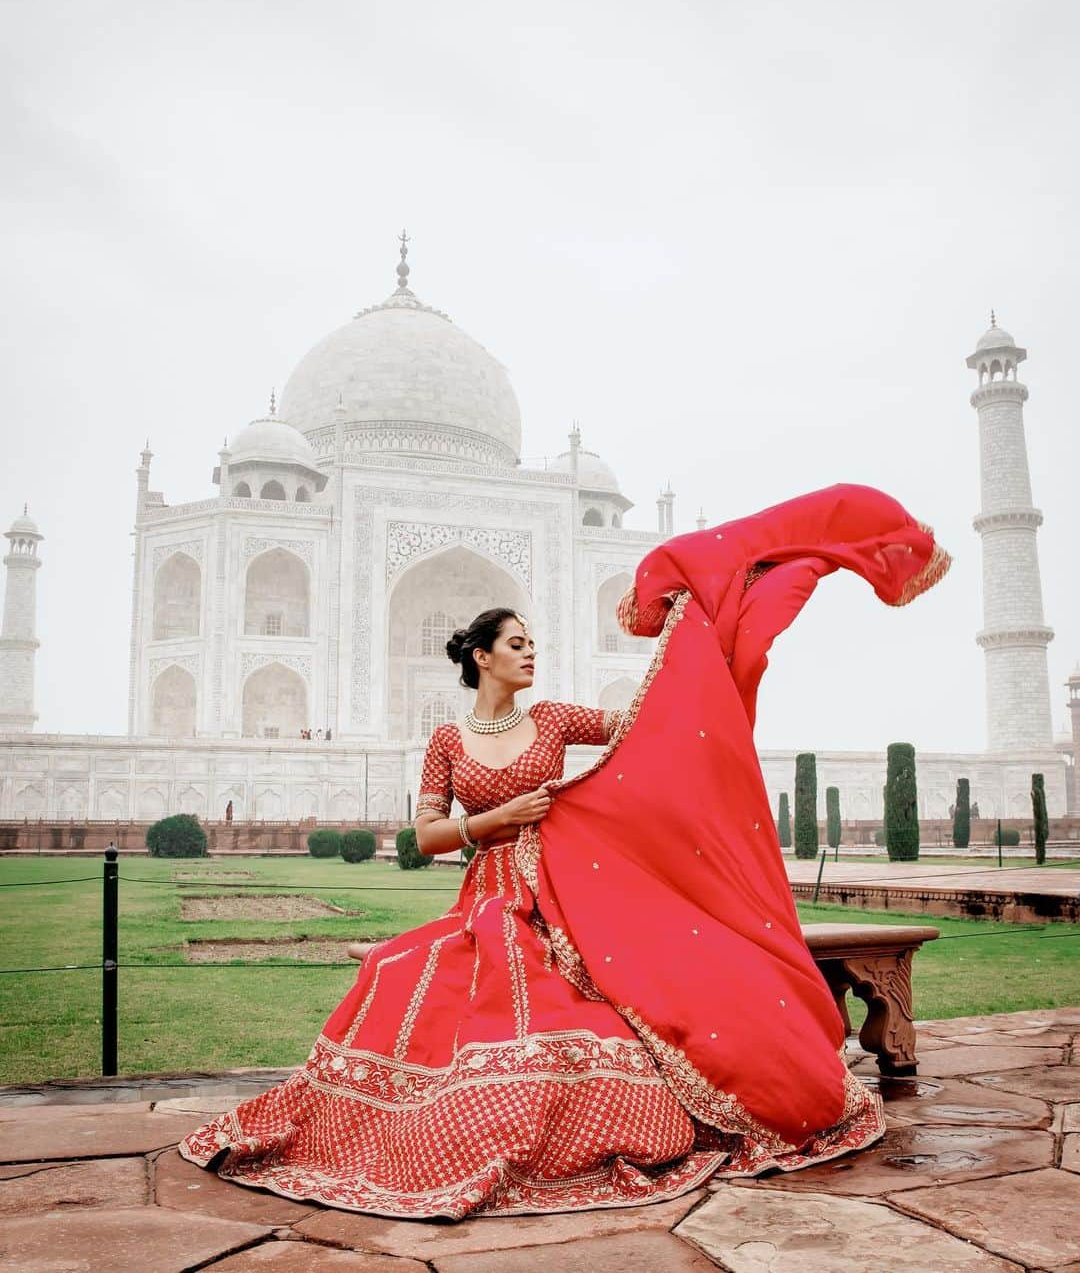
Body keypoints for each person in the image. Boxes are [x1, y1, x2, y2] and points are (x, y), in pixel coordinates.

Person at [180, 483, 949, 1221]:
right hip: (489, 895)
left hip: (565, 890)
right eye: (517, 644)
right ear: (481, 655)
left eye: (533, 643)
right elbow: (426, 835)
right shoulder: (448, 740)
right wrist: (498, 818)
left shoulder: (550, 720)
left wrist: (692, 637)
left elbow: (644, 731)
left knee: (609, 1013)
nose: (530, 654)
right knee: (409, 975)